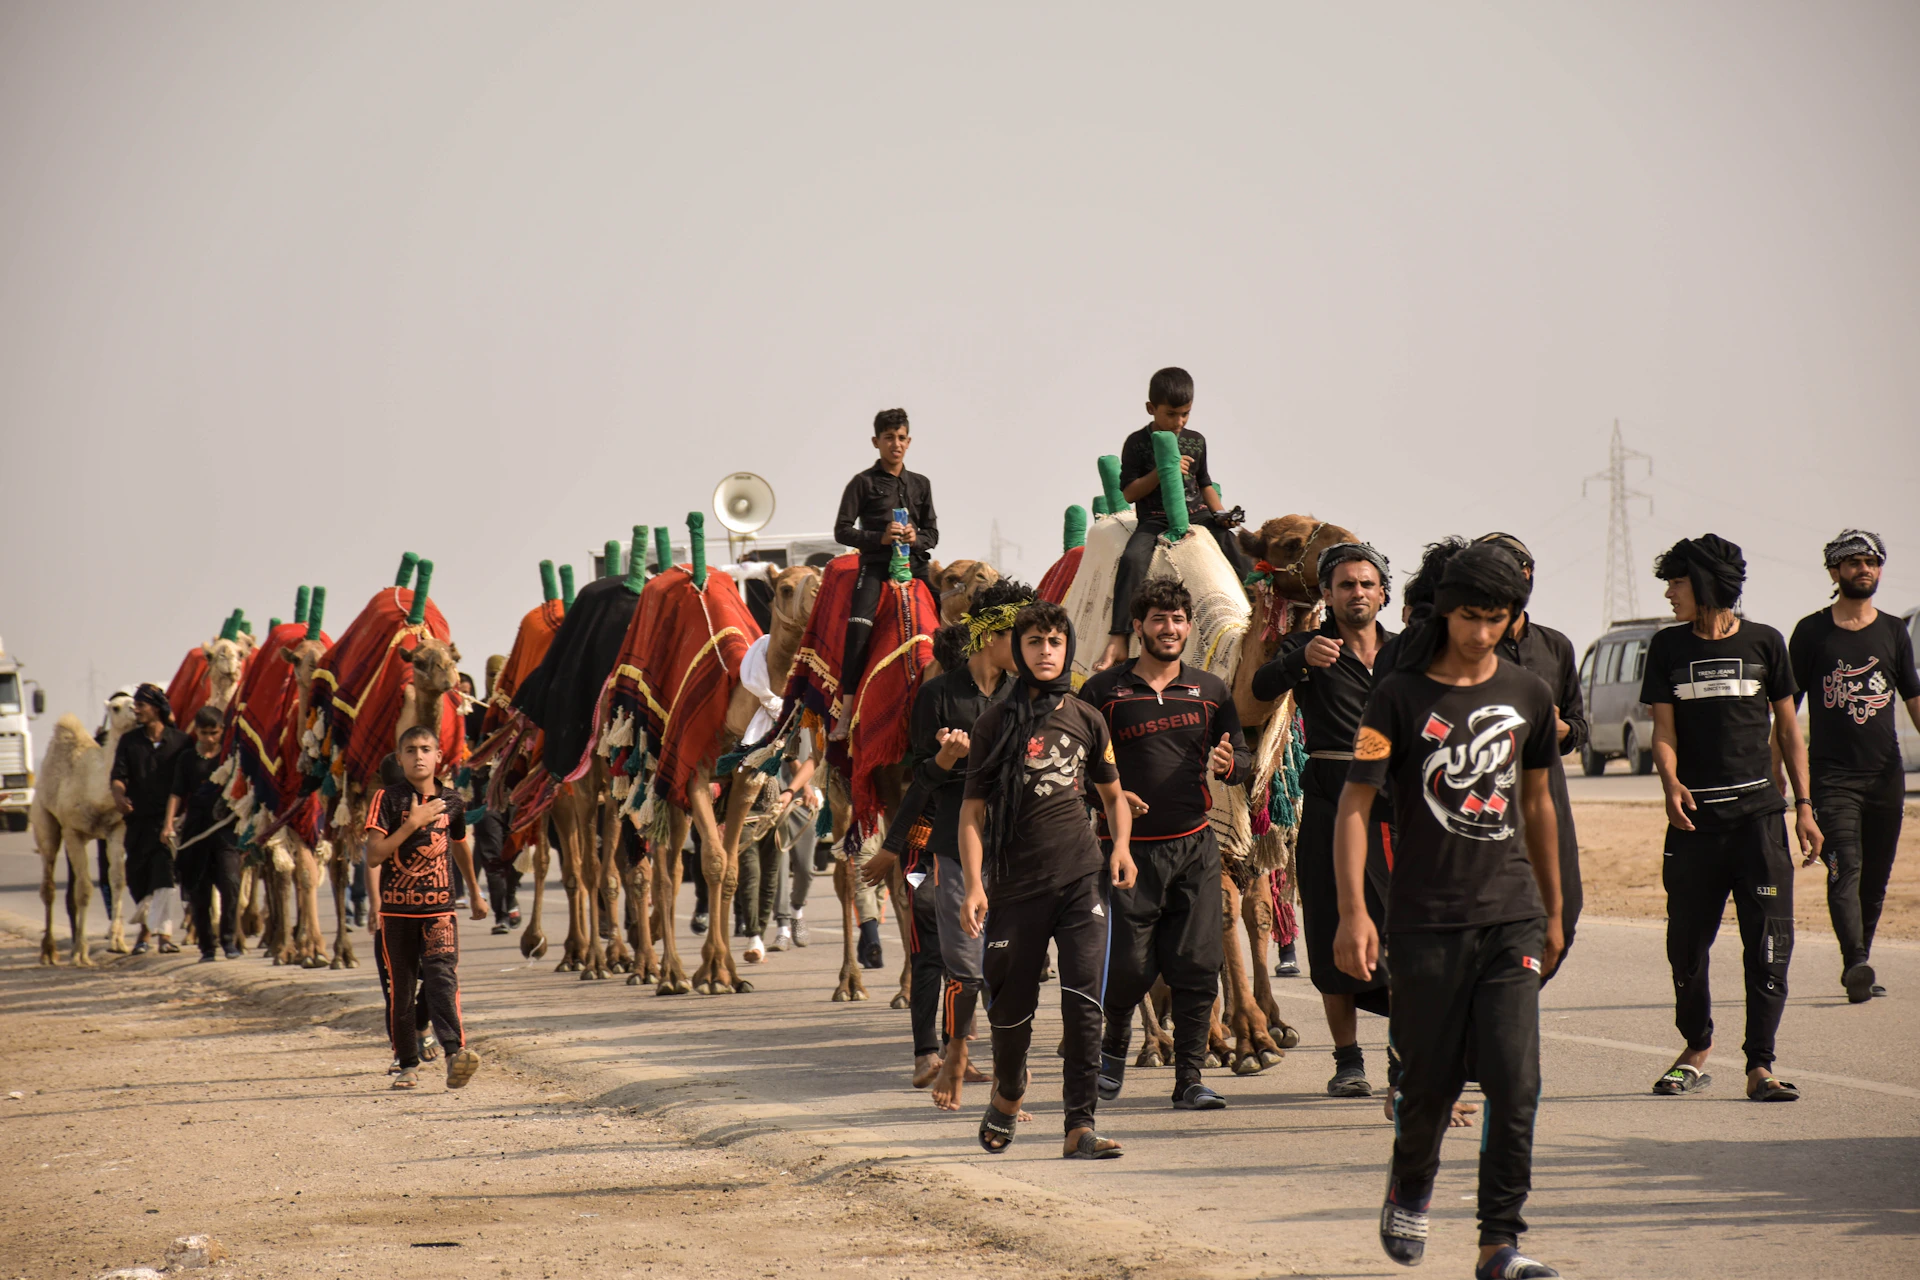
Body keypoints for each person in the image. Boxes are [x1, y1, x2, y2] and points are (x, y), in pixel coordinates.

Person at [1334, 543, 1565, 1279]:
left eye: (1496, 619)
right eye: (1469, 617)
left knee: (1514, 1080)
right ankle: (1413, 1181)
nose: (1480, 633)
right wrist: (1352, 913)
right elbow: (1355, 806)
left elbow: (1537, 805)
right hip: (1426, 919)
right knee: (1429, 1083)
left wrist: (1555, 910)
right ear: (1444, 612)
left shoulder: (1529, 693)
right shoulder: (1396, 698)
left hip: (1511, 915)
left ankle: (1500, 1241)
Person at [1641, 534, 1820, 1103]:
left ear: (1705, 585)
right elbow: (1663, 731)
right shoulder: (1666, 647)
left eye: (1676, 582)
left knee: (1768, 943)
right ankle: (1695, 1050)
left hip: (1759, 823)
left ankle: (1760, 1067)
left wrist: (1804, 808)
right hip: (1695, 825)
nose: (1669, 593)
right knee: (1686, 947)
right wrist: (1670, 781)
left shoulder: (1766, 642)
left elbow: (1789, 730)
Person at [958, 602, 1135, 1159]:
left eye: (1055, 641)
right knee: (1012, 1012)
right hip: (1014, 886)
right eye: (1034, 641)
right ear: (1018, 649)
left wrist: (1121, 847)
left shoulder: (1088, 718)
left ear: (1068, 648)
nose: (1045, 651)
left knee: (1085, 1001)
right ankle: (1009, 1093)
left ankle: (1079, 1126)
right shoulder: (992, 724)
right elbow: (971, 814)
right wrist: (974, 884)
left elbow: (1111, 795)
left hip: (1082, 879)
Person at [1080, 577, 1248, 1111]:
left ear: (1188, 627)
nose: (1169, 629)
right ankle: (1111, 1051)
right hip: (1126, 850)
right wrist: (1111, 794)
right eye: (1158, 619)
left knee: (1198, 966)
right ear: (1138, 627)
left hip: (1194, 847)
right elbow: (1077, 768)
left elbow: (1241, 756)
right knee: (1128, 966)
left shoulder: (1211, 691)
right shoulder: (1103, 692)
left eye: (1178, 619)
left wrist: (1231, 763)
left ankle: (1190, 1078)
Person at [870, 578, 1026, 1106]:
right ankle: (925, 1054)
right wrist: (944, 761)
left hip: (1003, 845)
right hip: (931, 848)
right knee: (931, 947)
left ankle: (962, 1049)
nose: (1031, 647)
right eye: (1018, 635)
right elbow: (920, 776)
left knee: (988, 954)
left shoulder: (1021, 693)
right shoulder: (938, 695)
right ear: (989, 637)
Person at [1250, 543, 1396, 1098]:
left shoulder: (1405, 654)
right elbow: (1262, 689)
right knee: (1333, 925)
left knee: (1404, 930)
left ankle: (1404, 1057)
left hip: (1397, 805)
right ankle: (1348, 1059)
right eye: (1345, 585)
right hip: (1332, 800)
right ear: (1327, 595)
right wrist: (1298, 661)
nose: (1357, 593)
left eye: (1366, 583)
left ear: (1382, 592)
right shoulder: (1308, 647)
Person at [1789, 529, 1918, 1003]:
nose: (1865, 569)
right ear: (1835, 572)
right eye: (1854, 562)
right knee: (1845, 867)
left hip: (1886, 775)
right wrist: (1788, 780)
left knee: (1877, 877)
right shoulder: (1810, 633)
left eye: (1872, 562)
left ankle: (1859, 959)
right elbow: (1786, 713)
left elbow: (1914, 701)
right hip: (1831, 777)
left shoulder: (1893, 631)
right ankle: (1856, 963)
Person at [1476, 533, 1589, 971]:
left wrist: (1559, 727)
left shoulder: (1555, 646)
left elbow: (1578, 727)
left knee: (1565, 910)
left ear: (1527, 576)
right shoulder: (1466, 645)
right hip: (1484, 798)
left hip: (1546, 796)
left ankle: (1510, 1003)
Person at [1098, 367, 1249, 670]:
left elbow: (1204, 483)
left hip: (1199, 516)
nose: (1179, 422)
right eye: (1171, 415)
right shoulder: (1137, 443)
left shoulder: (1196, 440)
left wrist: (1220, 515)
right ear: (1151, 409)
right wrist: (1163, 470)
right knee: (1131, 560)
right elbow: (1129, 493)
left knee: (1239, 551)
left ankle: (1259, 610)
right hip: (1154, 518)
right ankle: (1119, 634)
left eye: (1186, 414)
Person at [364, 724, 487, 1090]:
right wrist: (412, 823)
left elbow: (461, 845)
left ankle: (454, 1054)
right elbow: (374, 855)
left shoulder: (452, 801)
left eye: (425, 748)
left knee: (442, 979)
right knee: (401, 990)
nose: (418, 755)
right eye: (410, 750)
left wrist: (476, 893)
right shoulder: (387, 799)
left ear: (438, 757)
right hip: (397, 913)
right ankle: (407, 1064)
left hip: (440, 910)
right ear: (399, 758)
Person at [831, 407, 939, 738]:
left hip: (916, 566)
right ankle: (847, 711)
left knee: (951, 622)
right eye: (889, 438)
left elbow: (932, 534)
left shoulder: (921, 483)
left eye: (902, 438)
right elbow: (842, 531)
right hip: (876, 566)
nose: (896, 444)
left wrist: (913, 537)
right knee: (858, 628)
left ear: (909, 442)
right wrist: (879, 537)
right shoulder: (861, 483)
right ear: (876, 441)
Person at [111, 684, 191, 954]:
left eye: (140, 705)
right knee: (138, 877)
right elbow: (118, 777)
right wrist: (119, 796)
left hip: (168, 823)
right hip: (137, 822)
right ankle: (147, 931)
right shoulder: (129, 742)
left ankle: (160, 937)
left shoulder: (181, 742)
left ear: (155, 708)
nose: (136, 710)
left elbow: (188, 782)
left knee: (165, 877)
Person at [164, 706, 243, 961]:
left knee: (231, 885)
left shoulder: (230, 759)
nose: (209, 738)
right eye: (203, 733)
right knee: (199, 893)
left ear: (222, 731)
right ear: (195, 731)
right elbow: (176, 793)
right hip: (196, 831)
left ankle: (229, 940)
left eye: (214, 733)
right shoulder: (186, 759)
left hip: (224, 830)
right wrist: (168, 825)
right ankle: (207, 947)